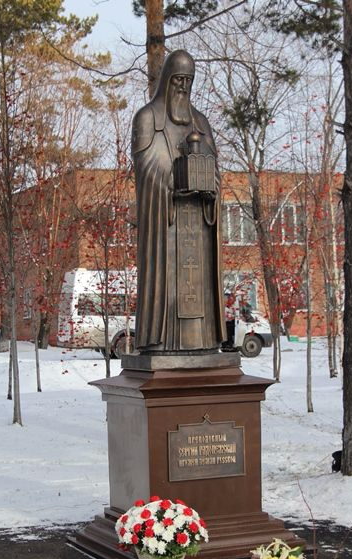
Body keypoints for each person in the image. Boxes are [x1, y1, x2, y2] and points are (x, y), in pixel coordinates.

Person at [131, 50, 226, 354]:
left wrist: (210, 186)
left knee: (196, 286)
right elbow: (146, 169)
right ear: (167, 81)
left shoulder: (200, 121)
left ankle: (202, 342)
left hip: (197, 226)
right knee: (169, 283)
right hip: (166, 226)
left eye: (189, 80)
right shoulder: (148, 118)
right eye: (178, 80)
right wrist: (174, 182)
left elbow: (214, 168)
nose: (183, 87)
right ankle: (161, 343)